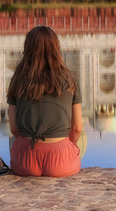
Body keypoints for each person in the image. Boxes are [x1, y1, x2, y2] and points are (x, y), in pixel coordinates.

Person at [7, 26, 83, 177]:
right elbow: (77, 129)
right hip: (61, 162)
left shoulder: (18, 79)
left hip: (25, 160)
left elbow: (14, 129)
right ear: (56, 47)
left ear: (27, 48)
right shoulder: (69, 79)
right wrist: (64, 147)